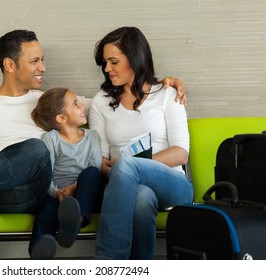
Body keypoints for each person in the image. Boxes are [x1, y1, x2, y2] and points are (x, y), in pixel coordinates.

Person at [0, 29, 187, 259]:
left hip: (29, 188)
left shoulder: (50, 102)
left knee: (35, 149)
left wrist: (161, 83)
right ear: (10, 65)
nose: (43, 67)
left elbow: (115, 103)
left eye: (43, 60)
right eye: (35, 60)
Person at [88, 26, 194, 260]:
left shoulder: (167, 94)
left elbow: (180, 154)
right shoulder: (100, 102)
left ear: (135, 58)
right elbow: (100, 158)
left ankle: (108, 262)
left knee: (127, 165)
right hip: (125, 187)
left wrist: (132, 166)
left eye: (114, 62)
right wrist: (110, 167)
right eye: (105, 63)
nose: (107, 69)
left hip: (173, 184)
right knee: (141, 197)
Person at [29, 87, 104, 259]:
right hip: (58, 195)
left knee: (92, 172)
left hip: (86, 193)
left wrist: (73, 189)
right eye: (76, 104)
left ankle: (76, 221)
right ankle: (38, 258)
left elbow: (96, 167)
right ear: (61, 118)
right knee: (45, 215)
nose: (82, 105)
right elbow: (46, 174)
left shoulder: (92, 136)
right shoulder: (51, 138)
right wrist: (58, 194)